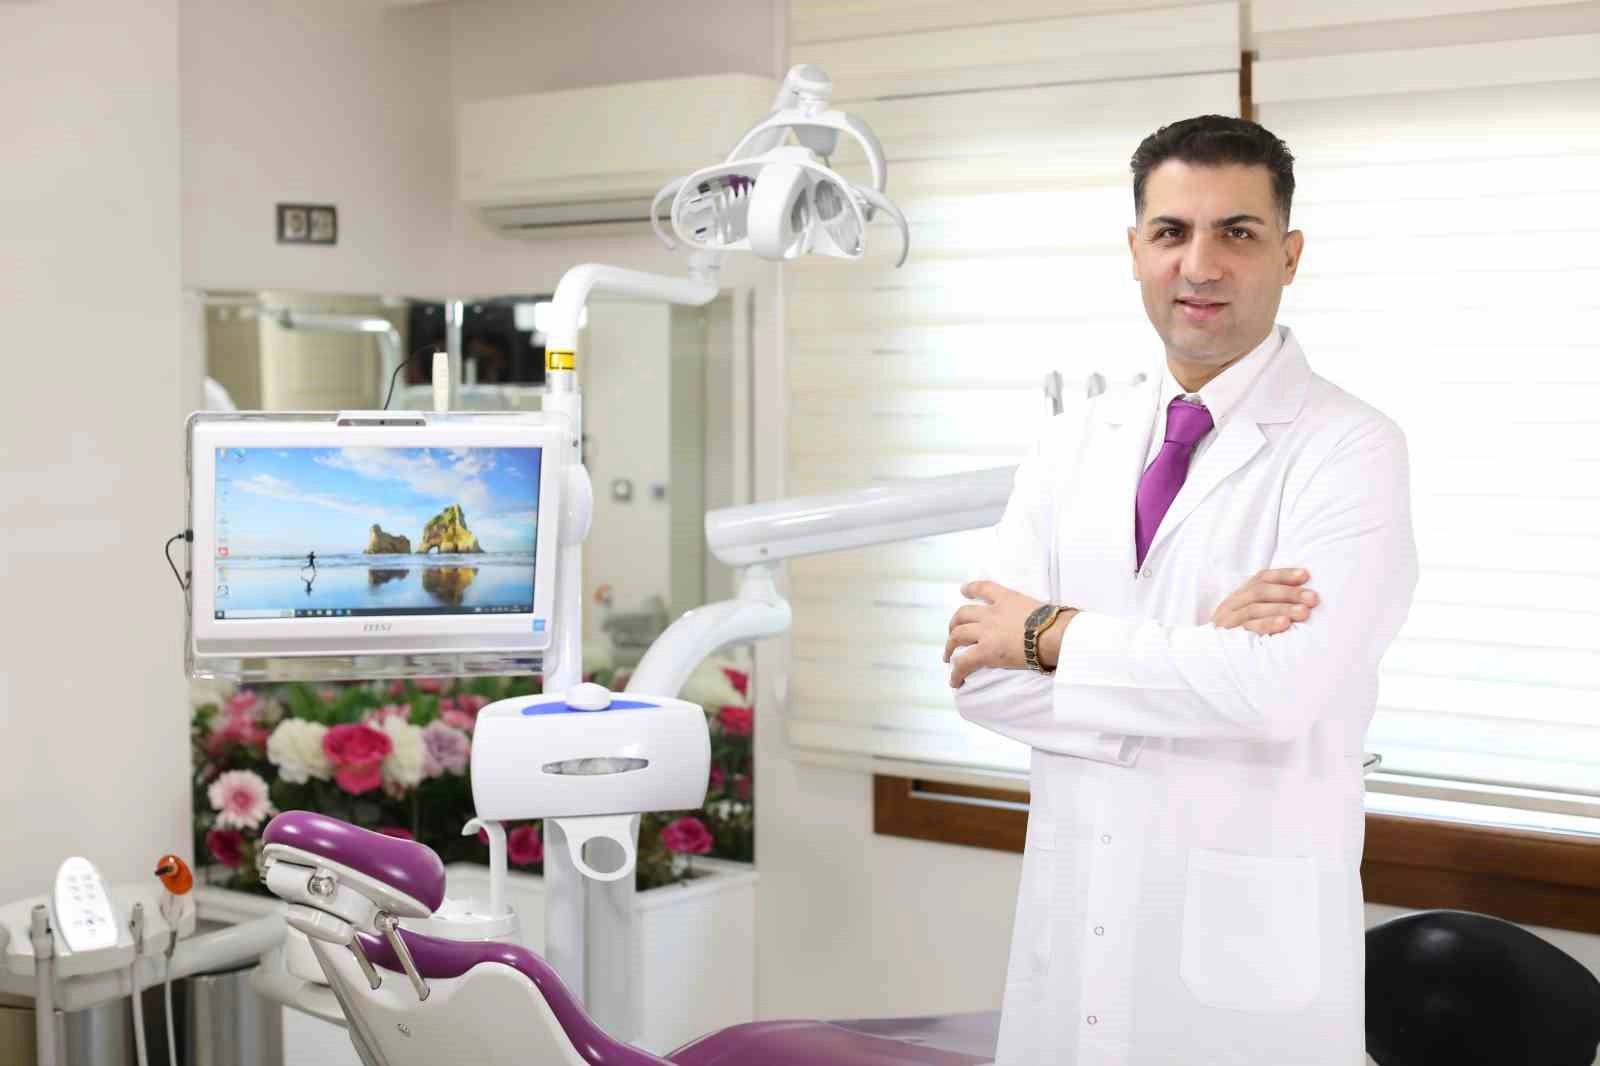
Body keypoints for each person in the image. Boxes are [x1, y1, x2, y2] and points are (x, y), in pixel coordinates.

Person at [943, 115, 1418, 1065]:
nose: (1200, 264)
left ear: (1289, 255)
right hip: (1072, 946)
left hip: (1244, 988)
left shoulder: (1351, 448)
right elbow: (978, 677)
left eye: (1237, 232)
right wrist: (1202, 659)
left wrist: (1051, 636)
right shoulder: (1071, 444)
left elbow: (1278, 694)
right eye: (1172, 232)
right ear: (1135, 251)